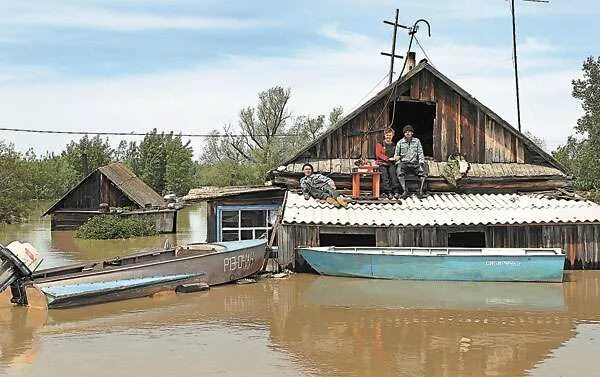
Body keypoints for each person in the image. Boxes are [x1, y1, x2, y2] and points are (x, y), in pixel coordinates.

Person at [394, 124, 427, 198]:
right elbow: (396, 155)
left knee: (423, 173)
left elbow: (420, 152)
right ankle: (405, 191)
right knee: (399, 172)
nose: (408, 133)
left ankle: (420, 191)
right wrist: (398, 164)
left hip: (414, 163)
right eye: (406, 132)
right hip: (404, 163)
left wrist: (421, 162)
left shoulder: (417, 141)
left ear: (412, 133)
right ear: (404, 133)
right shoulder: (400, 143)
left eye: (409, 131)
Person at [375, 127, 401, 199]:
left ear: (393, 135)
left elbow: (397, 154)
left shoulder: (394, 145)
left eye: (390, 135)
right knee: (384, 175)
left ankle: (396, 191)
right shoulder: (379, 144)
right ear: (384, 135)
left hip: (391, 163)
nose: (388, 137)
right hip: (382, 163)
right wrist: (387, 158)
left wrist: (397, 157)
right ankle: (388, 192)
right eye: (387, 135)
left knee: (393, 174)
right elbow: (378, 154)